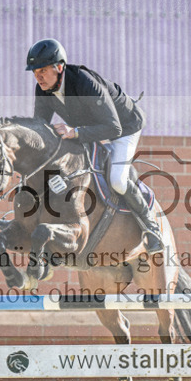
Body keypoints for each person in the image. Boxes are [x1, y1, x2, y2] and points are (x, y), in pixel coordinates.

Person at [26, 38, 164, 253]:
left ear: (59, 67)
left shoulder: (84, 82)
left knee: (117, 179)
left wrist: (75, 132)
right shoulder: (42, 89)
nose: (38, 76)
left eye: (42, 70)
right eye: (35, 72)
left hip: (124, 126)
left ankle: (151, 227)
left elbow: (113, 128)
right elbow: (40, 126)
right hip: (90, 126)